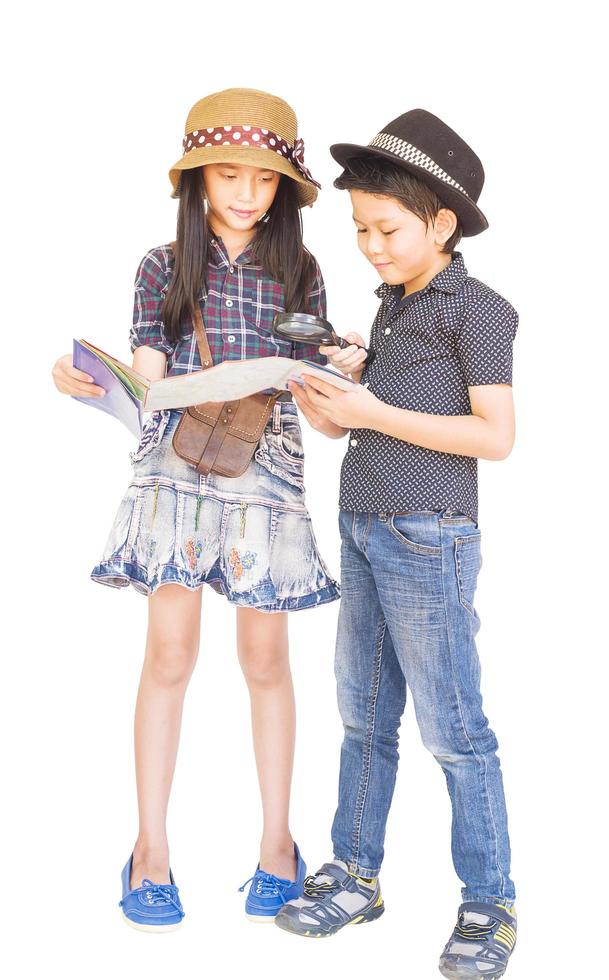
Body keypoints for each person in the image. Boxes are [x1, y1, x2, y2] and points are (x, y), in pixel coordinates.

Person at [51, 87, 340, 931]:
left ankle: (278, 846)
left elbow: (310, 390)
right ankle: (150, 850)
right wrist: (85, 379)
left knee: (265, 661)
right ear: (197, 178)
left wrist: (336, 371)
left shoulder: (301, 272)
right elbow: (146, 388)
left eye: (263, 176)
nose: (246, 192)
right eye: (227, 173)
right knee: (169, 657)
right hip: (176, 469)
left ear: (285, 186)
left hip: (266, 470)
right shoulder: (159, 265)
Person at [277, 109, 519, 980]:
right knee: (363, 718)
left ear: (441, 224)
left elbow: (494, 437)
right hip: (365, 527)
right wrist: (333, 389)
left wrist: (374, 408)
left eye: (386, 229)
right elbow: (363, 433)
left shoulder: (480, 311)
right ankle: (357, 872)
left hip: (430, 539)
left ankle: (490, 901)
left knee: (455, 731)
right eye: (359, 231)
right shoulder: (391, 306)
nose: (370, 247)